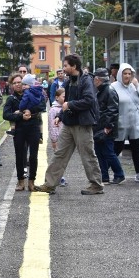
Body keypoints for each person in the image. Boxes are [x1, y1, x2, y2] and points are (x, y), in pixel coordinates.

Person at [33, 54, 104, 195]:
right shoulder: (68, 81)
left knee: (88, 154)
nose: (63, 68)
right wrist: (60, 116)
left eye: (66, 66)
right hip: (69, 123)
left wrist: (70, 105)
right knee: (60, 153)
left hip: (83, 124)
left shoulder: (86, 80)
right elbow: (65, 103)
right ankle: (50, 184)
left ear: (74, 66)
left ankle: (96, 184)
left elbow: (89, 100)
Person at [2, 73, 43, 191]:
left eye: (19, 82)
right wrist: (20, 116)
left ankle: (31, 182)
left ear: (24, 82)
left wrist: (30, 111)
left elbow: (41, 105)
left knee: (33, 156)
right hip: (19, 130)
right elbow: (6, 114)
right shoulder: (11, 98)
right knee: (20, 156)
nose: (17, 85)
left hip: (33, 127)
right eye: (14, 83)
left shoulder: (34, 92)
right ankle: (21, 182)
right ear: (12, 86)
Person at [111, 63, 139, 182]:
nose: (127, 76)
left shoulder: (134, 86)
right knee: (116, 149)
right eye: (125, 73)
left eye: (129, 73)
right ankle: (111, 172)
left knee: (137, 149)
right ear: (120, 74)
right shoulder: (113, 87)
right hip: (121, 123)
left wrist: (137, 85)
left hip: (135, 122)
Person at [92, 69, 125, 185]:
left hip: (105, 128)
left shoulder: (108, 91)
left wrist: (108, 128)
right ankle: (104, 176)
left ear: (98, 79)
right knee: (100, 152)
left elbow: (113, 111)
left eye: (94, 78)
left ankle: (119, 174)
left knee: (108, 153)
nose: (93, 81)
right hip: (101, 127)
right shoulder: (105, 90)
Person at [48, 87, 67, 186]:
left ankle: (60, 177)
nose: (65, 98)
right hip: (57, 138)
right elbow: (52, 126)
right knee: (58, 159)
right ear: (57, 97)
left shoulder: (65, 107)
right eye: (64, 96)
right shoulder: (53, 110)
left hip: (65, 137)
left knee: (62, 159)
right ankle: (59, 178)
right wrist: (54, 139)